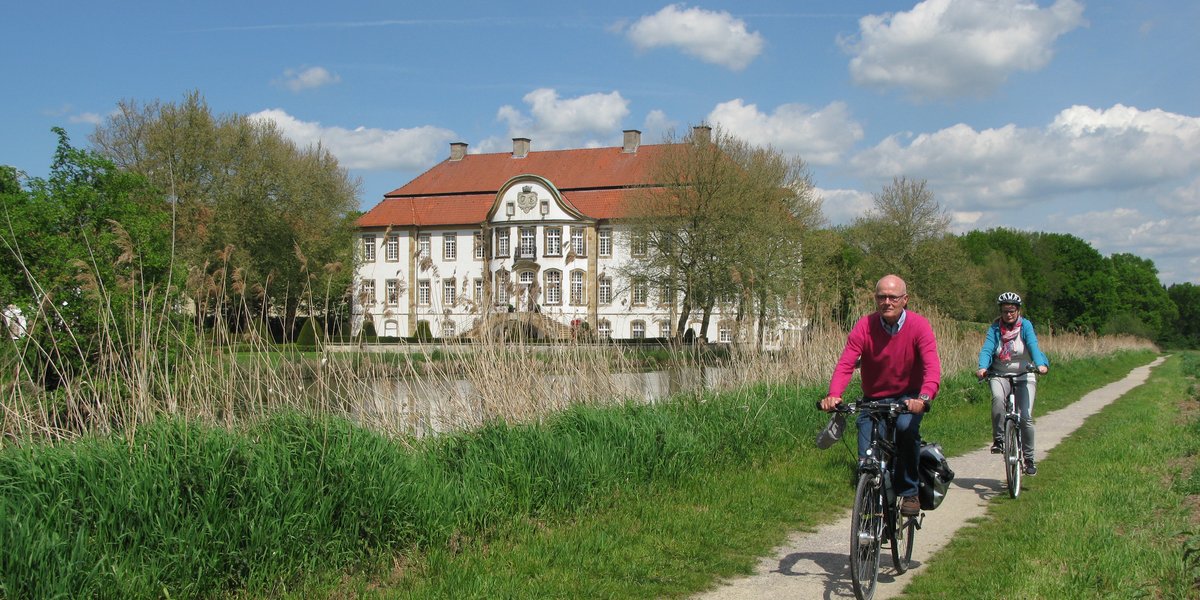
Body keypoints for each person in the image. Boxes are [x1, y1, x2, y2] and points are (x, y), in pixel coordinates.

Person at [820, 275, 943, 517]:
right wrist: (834, 394)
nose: (887, 302)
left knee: (907, 430)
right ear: (875, 299)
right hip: (874, 398)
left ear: (904, 300)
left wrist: (924, 398)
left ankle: (909, 491)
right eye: (881, 297)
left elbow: (932, 366)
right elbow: (846, 363)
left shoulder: (919, 326)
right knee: (867, 456)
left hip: (908, 398)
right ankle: (870, 515)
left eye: (893, 297)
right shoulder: (864, 326)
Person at [976, 292, 1049, 475]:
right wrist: (982, 367)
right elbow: (987, 349)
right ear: (1000, 311)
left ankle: (1029, 459)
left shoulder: (1025, 326)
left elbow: (1032, 345)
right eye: (1005, 311)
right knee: (998, 398)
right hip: (1000, 373)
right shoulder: (994, 328)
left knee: (1026, 417)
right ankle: (999, 440)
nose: (1009, 314)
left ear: (1018, 310)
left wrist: (1040, 364)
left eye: (1012, 310)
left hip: (1025, 373)